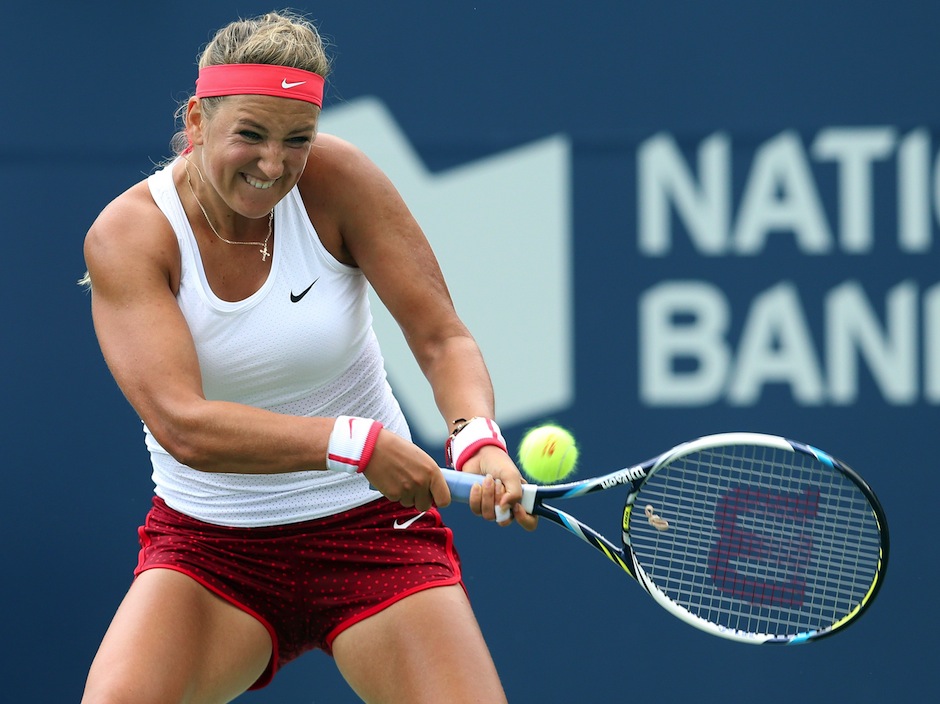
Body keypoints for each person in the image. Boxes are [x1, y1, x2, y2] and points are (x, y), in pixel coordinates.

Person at [80, 10, 536, 704]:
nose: (274, 165)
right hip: (211, 552)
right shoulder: (131, 235)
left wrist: (476, 439)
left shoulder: (339, 181)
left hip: (374, 532)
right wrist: (354, 443)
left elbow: (442, 337)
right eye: (251, 136)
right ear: (198, 122)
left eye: (298, 139)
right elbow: (184, 425)